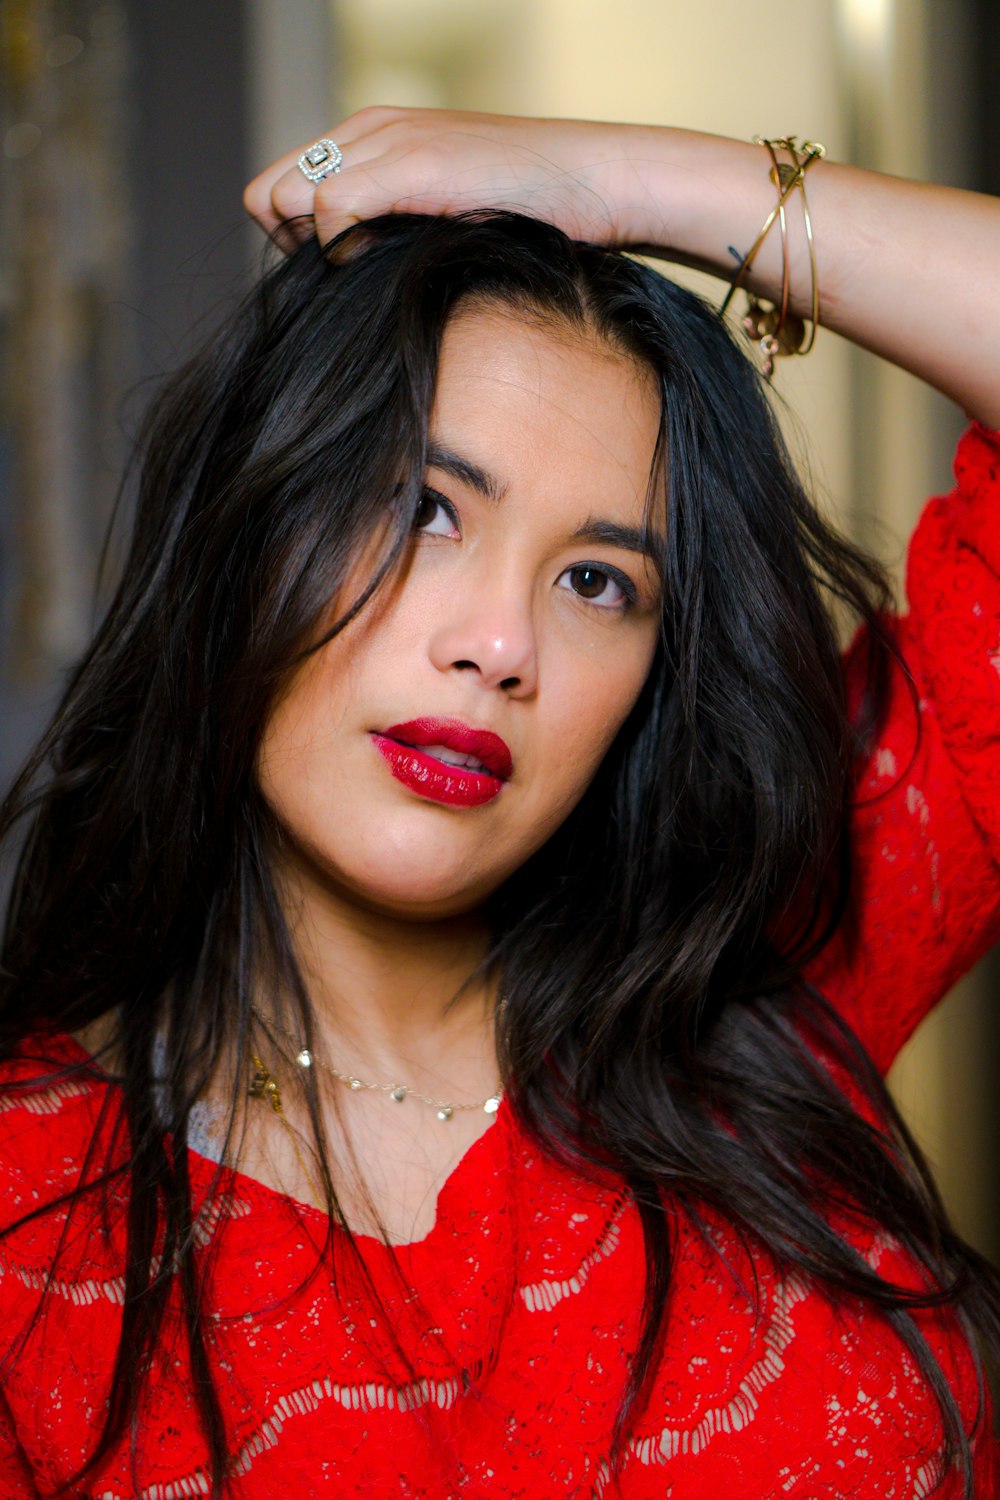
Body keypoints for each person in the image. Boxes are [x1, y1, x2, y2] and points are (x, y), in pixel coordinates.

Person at [0, 109, 998, 1499]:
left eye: (598, 580)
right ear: (249, 531)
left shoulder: (769, 977)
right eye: (423, 509)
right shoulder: (30, 1210)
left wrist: (620, 182)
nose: (499, 645)